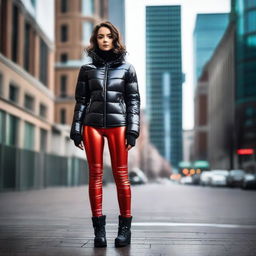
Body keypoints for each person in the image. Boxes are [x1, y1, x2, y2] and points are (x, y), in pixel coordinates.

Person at [69, 21, 140, 248]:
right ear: (95, 40)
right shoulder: (87, 70)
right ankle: (99, 231)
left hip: (119, 125)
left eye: (109, 36)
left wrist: (133, 130)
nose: (105, 40)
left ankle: (124, 230)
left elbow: (133, 102)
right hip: (92, 125)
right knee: (95, 176)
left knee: (121, 176)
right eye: (101, 36)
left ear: (115, 39)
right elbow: (81, 101)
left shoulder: (127, 69)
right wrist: (76, 129)